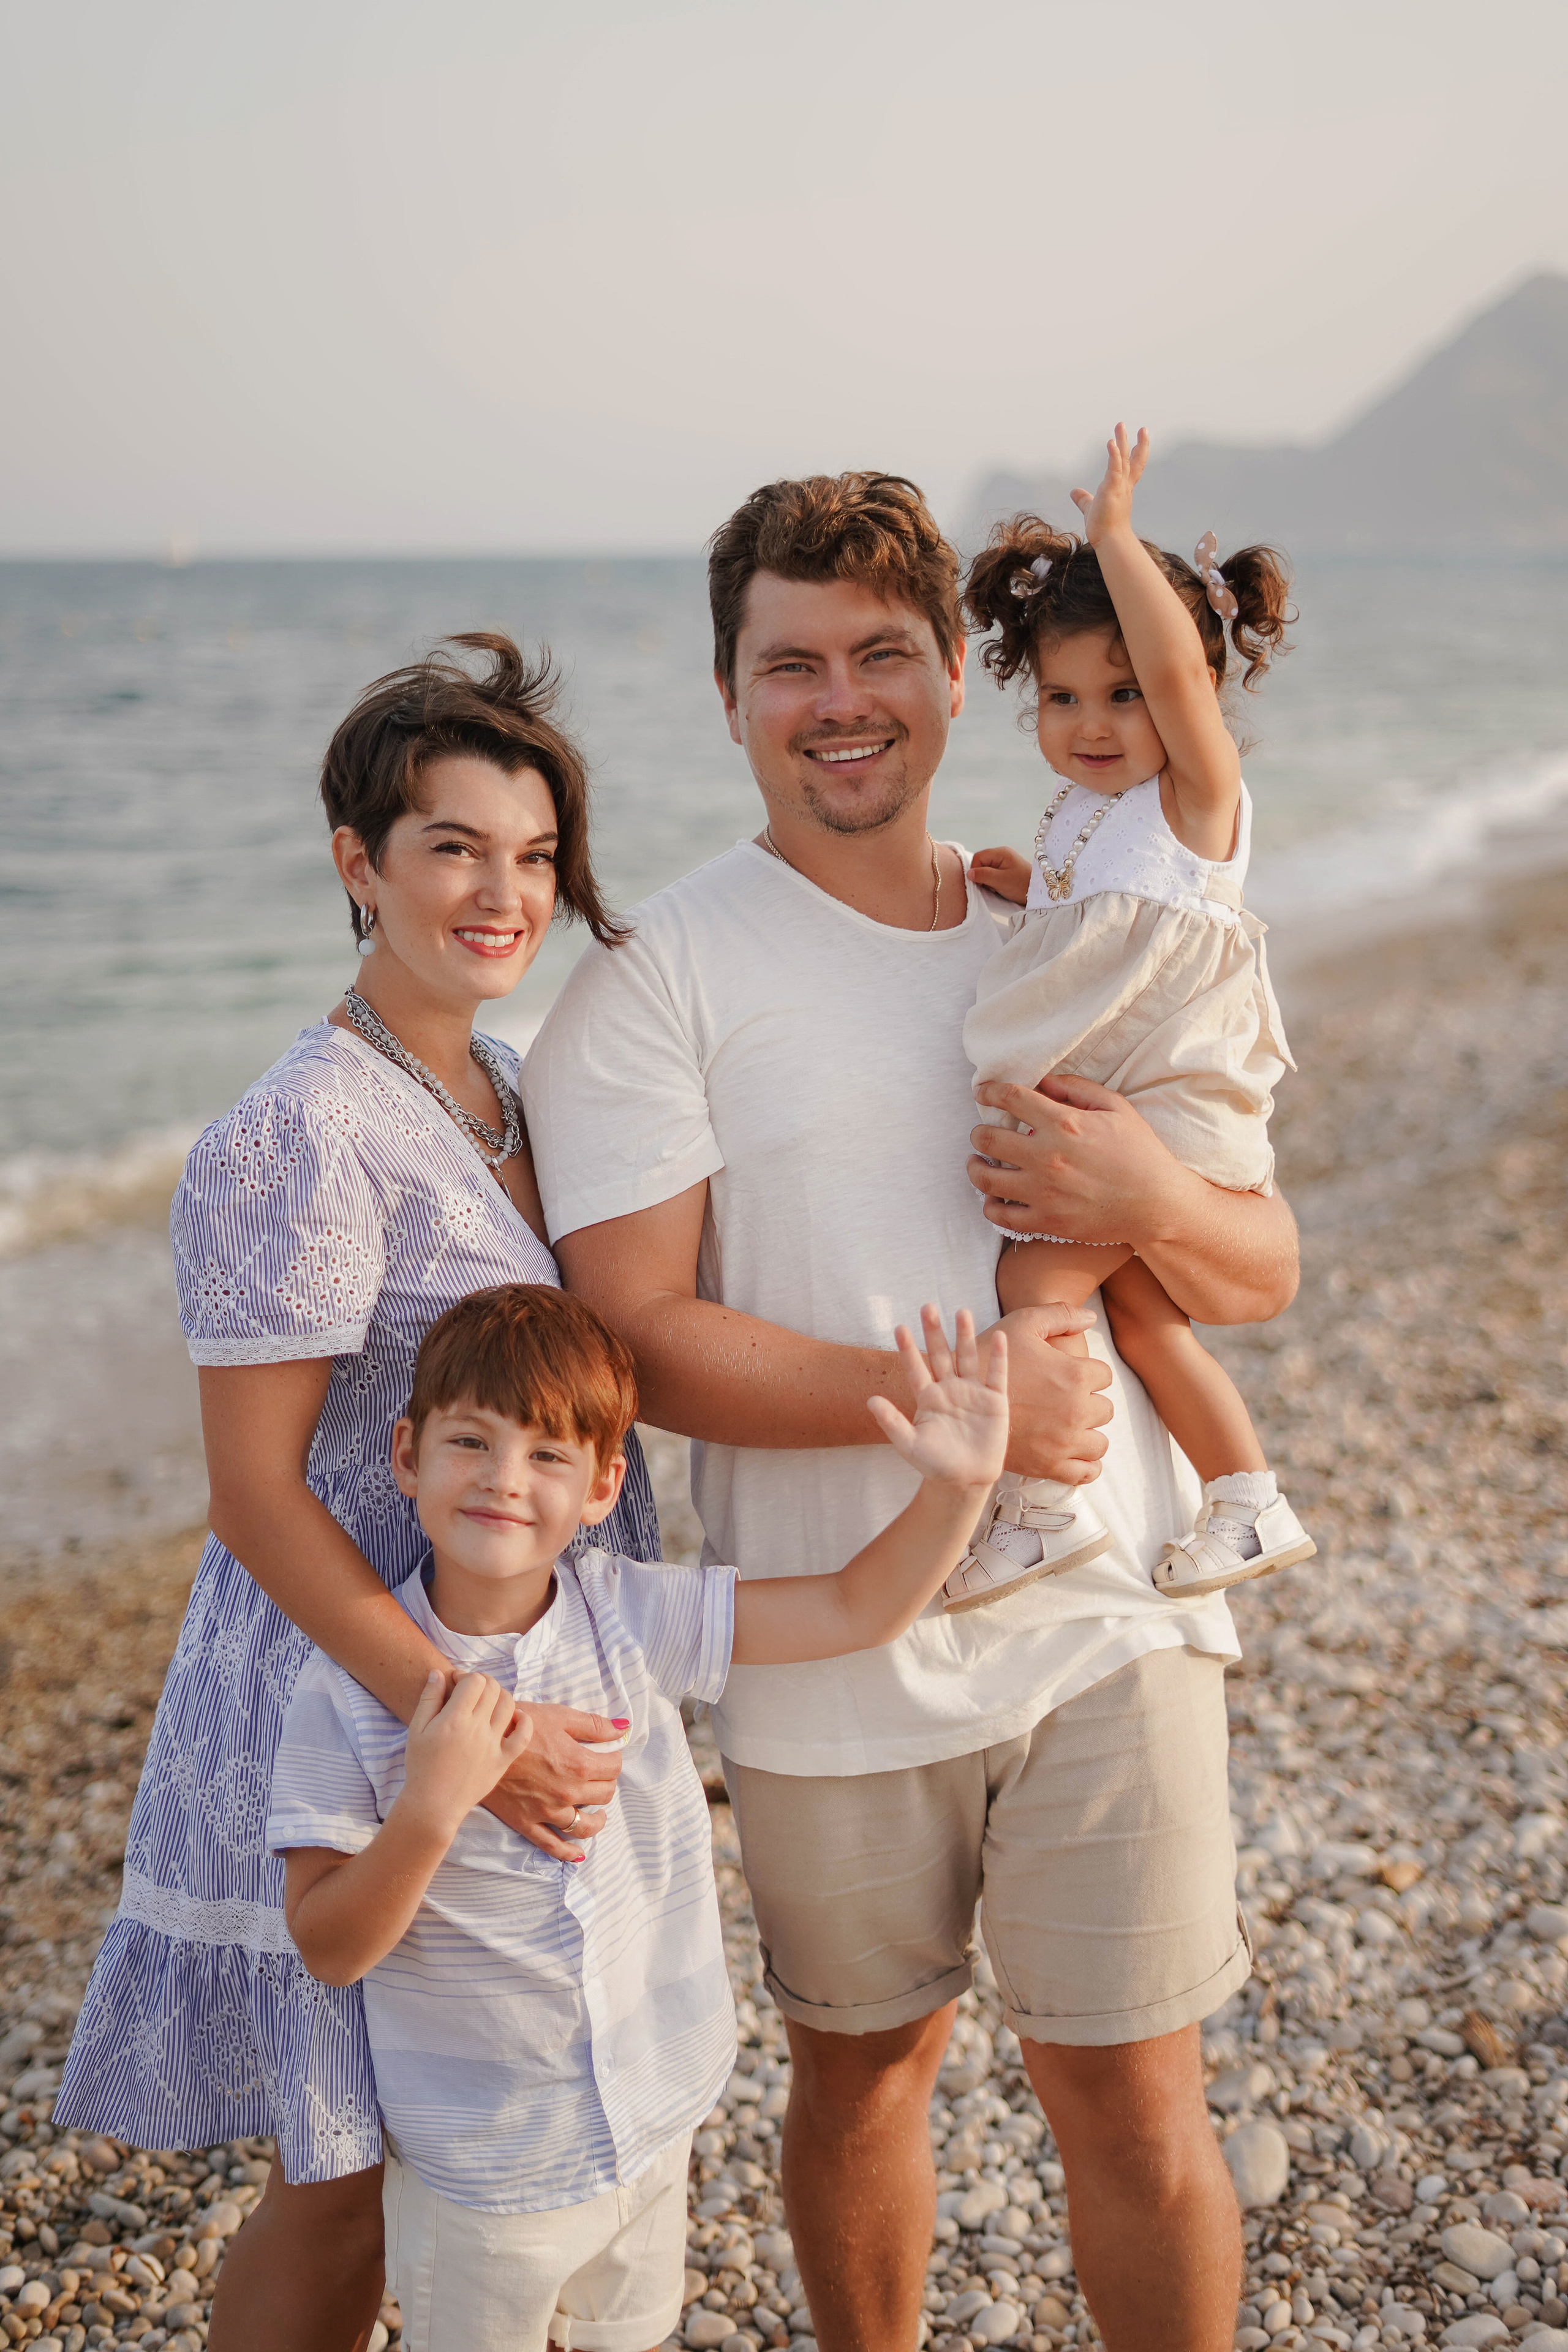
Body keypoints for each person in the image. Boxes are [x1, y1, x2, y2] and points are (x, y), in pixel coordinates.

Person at [521, 473, 1300, 2352]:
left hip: (1110, 1600)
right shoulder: (646, 982)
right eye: (793, 663)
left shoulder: (1077, 911)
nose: (842, 698)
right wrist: (942, 1412)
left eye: (884, 653)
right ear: (729, 696)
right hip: (831, 1633)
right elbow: (632, 1334)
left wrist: (1146, 1212)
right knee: (867, 2077)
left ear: (965, 675)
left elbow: (1256, 1266)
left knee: (1131, 2091)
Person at [55, 636, 662, 2352]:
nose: (502, 891)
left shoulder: (512, 1091)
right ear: (357, 865)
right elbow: (253, 1497)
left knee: (474, 2133)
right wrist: (472, 1721)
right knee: (338, 2174)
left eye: (535, 856)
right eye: (455, 846)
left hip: (499, 1681)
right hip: (351, 1694)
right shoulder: (304, 1130)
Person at [268, 1281, 1007, 2352]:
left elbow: (855, 1606)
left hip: (659, 2111)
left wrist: (959, 1488)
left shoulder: (631, 1612)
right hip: (488, 2166)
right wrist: (433, 1804)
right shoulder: (345, 1693)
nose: (503, 1482)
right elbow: (328, 1946)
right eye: (469, 1442)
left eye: (548, 1457)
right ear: (405, 1454)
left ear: (607, 1484)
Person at [947, 423, 1315, 1610]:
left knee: (1033, 1287)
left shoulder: (1193, 798)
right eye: (1060, 696)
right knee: (1148, 1325)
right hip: (1141, 1121)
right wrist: (1031, 891)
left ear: (1189, 695)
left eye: (1122, 693)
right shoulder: (1082, 815)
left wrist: (1111, 539)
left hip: (1174, 1119)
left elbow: (1167, 683)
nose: (1092, 722)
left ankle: (1039, 1509)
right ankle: (1247, 1499)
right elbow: (1095, 939)